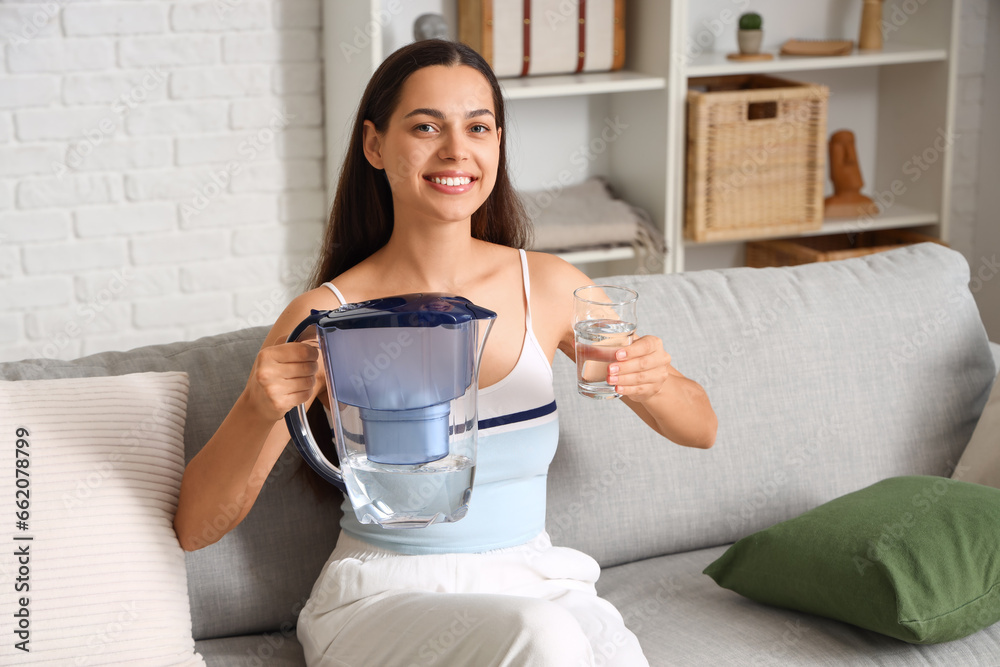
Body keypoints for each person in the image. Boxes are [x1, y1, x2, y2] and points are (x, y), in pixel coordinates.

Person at [174, 39, 717, 666]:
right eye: (426, 127)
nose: (456, 150)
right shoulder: (326, 316)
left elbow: (700, 429)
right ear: (375, 146)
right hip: (386, 599)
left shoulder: (549, 287)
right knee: (544, 640)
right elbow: (195, 529)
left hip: (535, 583)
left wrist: (654, 383)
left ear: (497, 144)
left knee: (564, 639)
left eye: (478, 127)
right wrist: (254, 408)